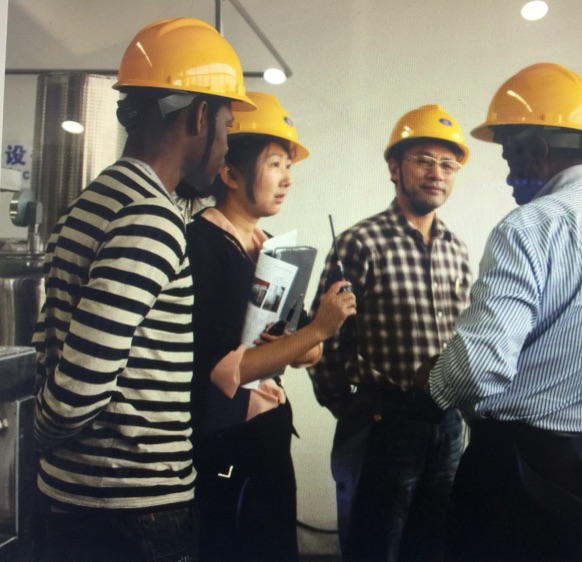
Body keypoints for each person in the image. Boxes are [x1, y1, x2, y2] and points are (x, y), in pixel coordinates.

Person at [418, 62, 582, 561]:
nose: (510, 177)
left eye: (511, 157)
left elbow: (475, 372)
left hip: (521, 478)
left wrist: (431, 382)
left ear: (538, 150)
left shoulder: (527, 227)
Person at [31, 18, 255, 562]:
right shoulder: (152, 218)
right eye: (226, 126)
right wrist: (43, 432)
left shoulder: (91, 201)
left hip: (84, 501)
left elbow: (47, 340)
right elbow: (80, 386)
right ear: (199, 116)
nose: (226, 147)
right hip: (129, 511)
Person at [186, 92, 356, 562]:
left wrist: (306, 339)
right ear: (230, 174)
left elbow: (306, 355)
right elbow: (225, 372)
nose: (287, 179)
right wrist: (317, 330)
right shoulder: (203, 246)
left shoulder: (270, 247)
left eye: (289, 166)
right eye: (275, 164)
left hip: (269, 433)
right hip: (227, 444)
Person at [307, 104, 473, 562]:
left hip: (446, 425)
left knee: (433, 549)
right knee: (373, 549)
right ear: (394, 167)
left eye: (448, 165)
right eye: (424, 160)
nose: (436, 173)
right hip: (383, 424)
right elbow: (324, 339)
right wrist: (351, 410)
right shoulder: (359, 243)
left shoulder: (458, 251)